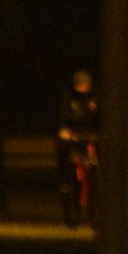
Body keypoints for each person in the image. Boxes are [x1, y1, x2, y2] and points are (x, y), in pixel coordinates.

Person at [56, 69, 99, 198]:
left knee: (98, 154)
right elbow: (63, 115)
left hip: (91, 131)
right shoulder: (69, 96)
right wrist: (63, 129)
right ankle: (66, 182)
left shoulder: (95, 95)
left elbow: (102, 114)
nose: (83, 88)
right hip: (74, 132)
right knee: (64, 148)